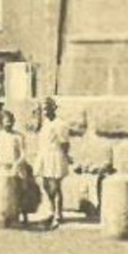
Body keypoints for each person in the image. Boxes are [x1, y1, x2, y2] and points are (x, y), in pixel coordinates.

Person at [0, 109, 33, 226]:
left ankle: (20, 216)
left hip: (15, 166)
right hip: (0, 167)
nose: (9, 124)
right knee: (0, 192)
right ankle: (0, 216)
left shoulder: (18, 136)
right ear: (1, 122)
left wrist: (16, 164)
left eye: (11, 121)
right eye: (6, 121)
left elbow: (23, 154)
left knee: (20, 190)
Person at [35, 97, 73, 229]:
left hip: (55, 155)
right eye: (43, 109)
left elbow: (64, 143)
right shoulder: (44, 124)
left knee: (55, 186)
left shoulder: (60, 124)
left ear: (53, 108)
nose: (45, 112)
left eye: (47, 108)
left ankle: (58, 213)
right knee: (45, 185)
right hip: (44, 155)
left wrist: (66, 156)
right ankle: (51, 209)